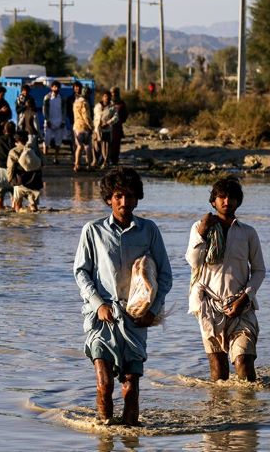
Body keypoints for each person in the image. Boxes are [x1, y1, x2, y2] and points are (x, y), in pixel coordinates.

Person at [73, 167, 173, 426]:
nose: (124, 202)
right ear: (109, 199)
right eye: (118, 196)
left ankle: (131, 437)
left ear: (137, 198)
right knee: (104, 385)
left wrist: (152, 311)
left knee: (130, 388)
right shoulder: (92, 231)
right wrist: (98, 304)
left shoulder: (149, 230)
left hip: (135, 319)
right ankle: (104, 435)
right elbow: (81, 272)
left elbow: (165, 276)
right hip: (101, 320)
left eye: (129, 196)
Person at [185, 177, 265, 382]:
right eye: (221, 197)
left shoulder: (248, 233)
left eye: (231, 197)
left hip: (241, 306)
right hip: (209, 307)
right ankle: (220, 413)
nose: (226, 201)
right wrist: (203, 232)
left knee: (244, 364)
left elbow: (258, 270)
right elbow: (193, 261)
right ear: (213, 201)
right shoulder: (200, 227)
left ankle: (249, 411)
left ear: (238, 201)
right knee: (219, 372)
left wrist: (245, 298)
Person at [6, 131, 43, 212]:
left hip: (20, 181)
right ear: (27, 139)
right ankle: (33, 212)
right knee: (33, 205)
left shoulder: (13, 151)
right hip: (34, 181)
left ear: (16, 141)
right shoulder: (33, 149)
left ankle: (20, 222)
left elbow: (10, 167)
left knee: (17, 206)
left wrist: (9, 179)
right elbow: (42, 162)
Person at [42, 81, 67, 164]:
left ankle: (56, 158)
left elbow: (64, 110)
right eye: (54, 87)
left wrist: (63, 121)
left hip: (59, 122)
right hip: (49, 123)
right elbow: (44, 110)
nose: (56, 89)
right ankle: (45, 158)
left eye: (58, 87)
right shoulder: (47, 97)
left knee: (58, 142)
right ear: (51, 88)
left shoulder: (62, 98)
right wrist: (47, 120)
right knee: (46, 141)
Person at [92, 91, 117, 169]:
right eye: (105, 96)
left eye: (109, 97)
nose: (107, 98)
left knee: (106, 147)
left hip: (107, 130)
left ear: (110, 98)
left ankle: (105, 163)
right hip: (97, 129)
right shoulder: (97, 106)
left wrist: (108, 123)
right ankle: (95, 161)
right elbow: (95, 117)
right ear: (103, 97)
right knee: (95, 147)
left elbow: (116, 117)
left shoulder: (112, 107)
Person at [72, 86, 93, 172]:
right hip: (84, 127)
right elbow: (86, 116)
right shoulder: (85, 103)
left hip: (76, 126)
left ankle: (77, 165)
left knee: (79, 146)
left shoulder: (76, 102)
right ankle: (89, 165)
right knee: (87, 146)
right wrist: (91, 126)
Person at [109, 87, 128, 166]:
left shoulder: (121, 103)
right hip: (108, 126)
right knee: (107, 144)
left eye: (115, 92)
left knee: (116, 144)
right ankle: (107, 159)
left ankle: (114, 160)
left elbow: (125, 114)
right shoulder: (108, 102)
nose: (113, 94)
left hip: (117, 127)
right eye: (112, 92)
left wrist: (120, 121)